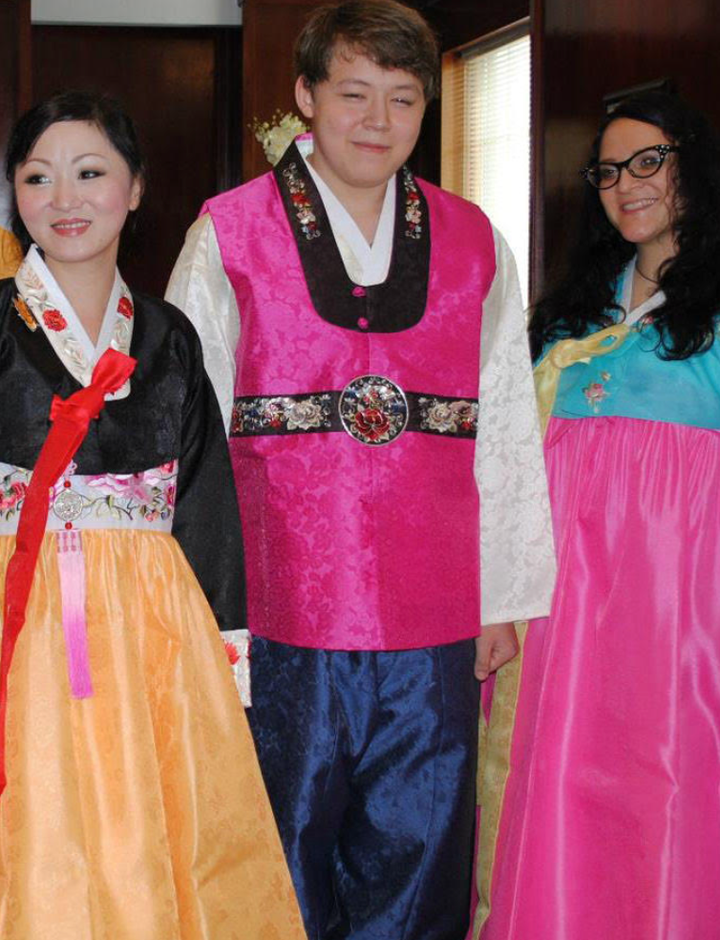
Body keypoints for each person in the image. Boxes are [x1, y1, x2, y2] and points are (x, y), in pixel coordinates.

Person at [166, 2, 555, 938]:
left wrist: (501, 593)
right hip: (279, 610)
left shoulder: (473, 242)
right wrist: (196, 607)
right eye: (353, 94)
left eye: (403, 99)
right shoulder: (227, 234)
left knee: (422, 852)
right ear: (305, 98)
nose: (378, 121)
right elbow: (188, 436)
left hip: (435, 613)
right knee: (274, 842)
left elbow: (502, 421)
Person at [0, 91, 306, 940]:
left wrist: (226, 650)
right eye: (38, 178)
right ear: (15, 196)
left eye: (91, 173)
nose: (65, 199)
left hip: (150, 626)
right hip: (18, 616)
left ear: (134, 190)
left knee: (151, 815)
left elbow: (206, 495)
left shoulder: (168, 336)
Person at [476, 91, 720, 940]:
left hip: (677, 617)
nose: (628, 185)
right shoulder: (570, 315)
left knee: (664, 786)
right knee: (559, 776)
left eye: (649, 161)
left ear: (695, 165)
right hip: (564, 613)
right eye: (610, 171)